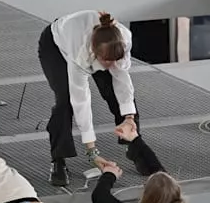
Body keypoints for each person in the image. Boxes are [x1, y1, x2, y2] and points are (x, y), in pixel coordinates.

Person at [37, 11, 156, 187]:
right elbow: (81, 102)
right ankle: (58, 159)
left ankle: (134, 146)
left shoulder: (123, 40)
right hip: (56, 45)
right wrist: (92, 152)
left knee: (118, 96)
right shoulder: (80, 53)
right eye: (107, 61)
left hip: (101, 46)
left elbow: (123, 83)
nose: (111, 66)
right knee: (65, 101)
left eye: (115, 61)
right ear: (95, 53)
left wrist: (129, 118)